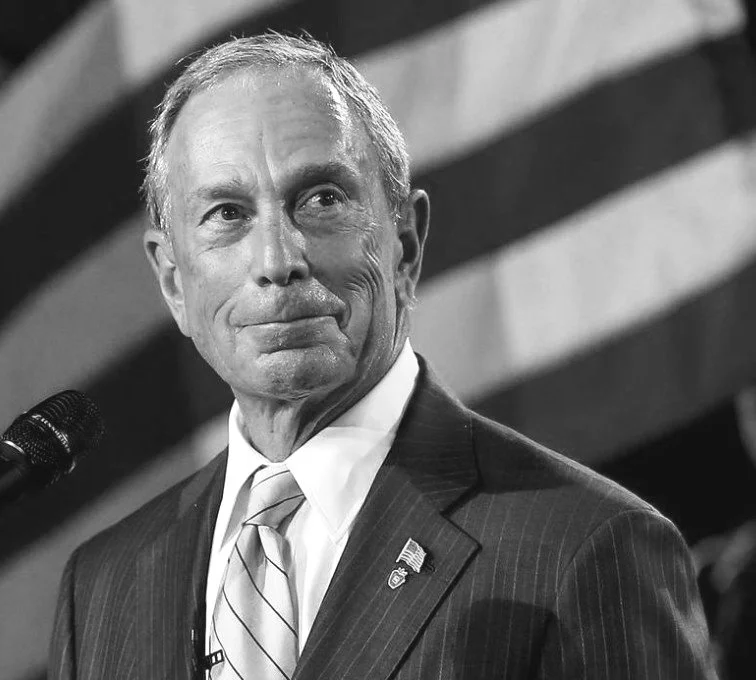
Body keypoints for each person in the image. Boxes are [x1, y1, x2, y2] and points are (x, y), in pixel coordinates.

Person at [49, 33, 715, 679]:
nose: (278, 260)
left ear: (405, 245)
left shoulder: (587, 547)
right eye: (228, 214)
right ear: (173, 280)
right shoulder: (103, 587)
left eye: (321, 200)